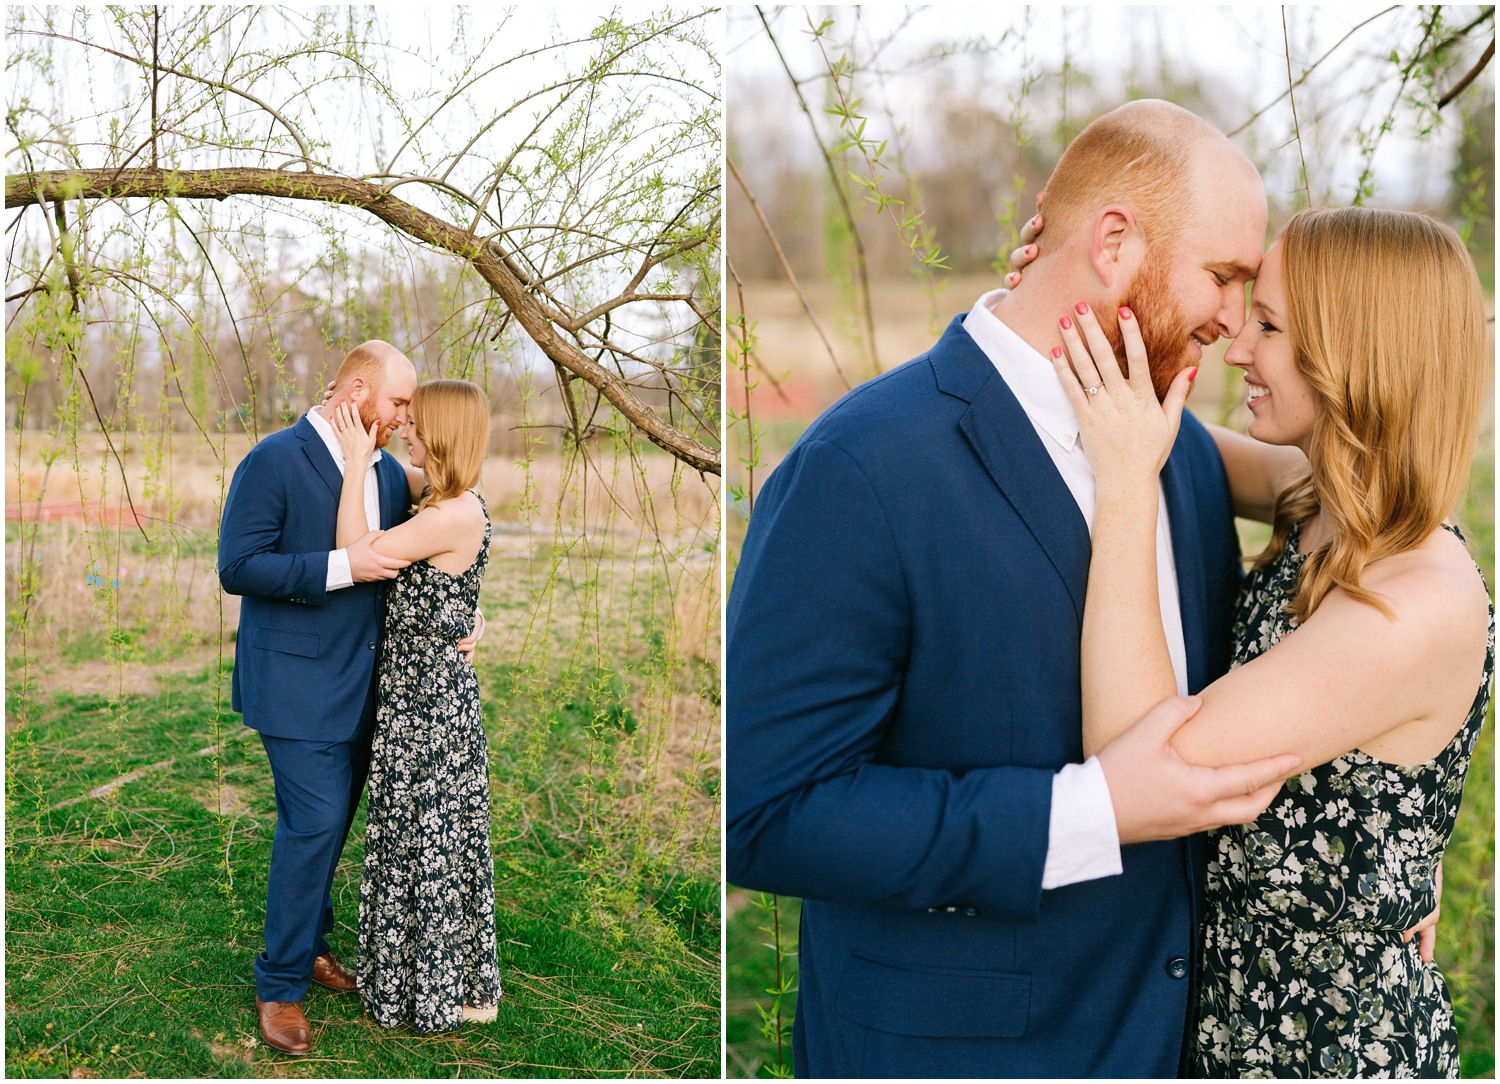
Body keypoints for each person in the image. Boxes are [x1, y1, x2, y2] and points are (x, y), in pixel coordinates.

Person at [727, 100, 1303, 1078]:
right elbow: (765, 812)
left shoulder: (1183, 451)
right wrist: (1091, 811)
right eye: (1224, 277)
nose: (1232, 322)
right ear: (1113, 242)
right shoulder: (861, 467)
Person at [1048, 205, 1490, 1076]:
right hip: (1238, 1018)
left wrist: (1126, 484)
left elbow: (1140, 758)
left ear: (1360, 356)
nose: (1239, 348)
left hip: (1328, 1047)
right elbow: (1152, 420)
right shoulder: (1325, 497)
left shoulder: (1413, 601)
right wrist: (1061, 282)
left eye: (1273, 326)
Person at [218, 341, 480, 1055]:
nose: (404, 417)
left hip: (375, 690)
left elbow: (422, 560)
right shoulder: (273, 460)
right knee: (315, 823)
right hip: (295, 685)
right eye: (397, 403)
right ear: (356, 390)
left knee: (331, 830)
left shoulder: (393, 476)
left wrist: (467, 618)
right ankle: (279, 986)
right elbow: (237, 565)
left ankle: (310, 946)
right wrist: (341, 565)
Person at [329, 378, 502, 1034]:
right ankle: (420, 981)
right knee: (416, 838)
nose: (406, 428)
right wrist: (364, 440)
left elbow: (358, 552)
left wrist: (352, 464)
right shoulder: (443, 500)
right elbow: (391, 473)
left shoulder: (450, 514)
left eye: (416, 422)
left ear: (444, 434)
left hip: (429, 708)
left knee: (426, 840)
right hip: (416, 700)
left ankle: (427, 992)